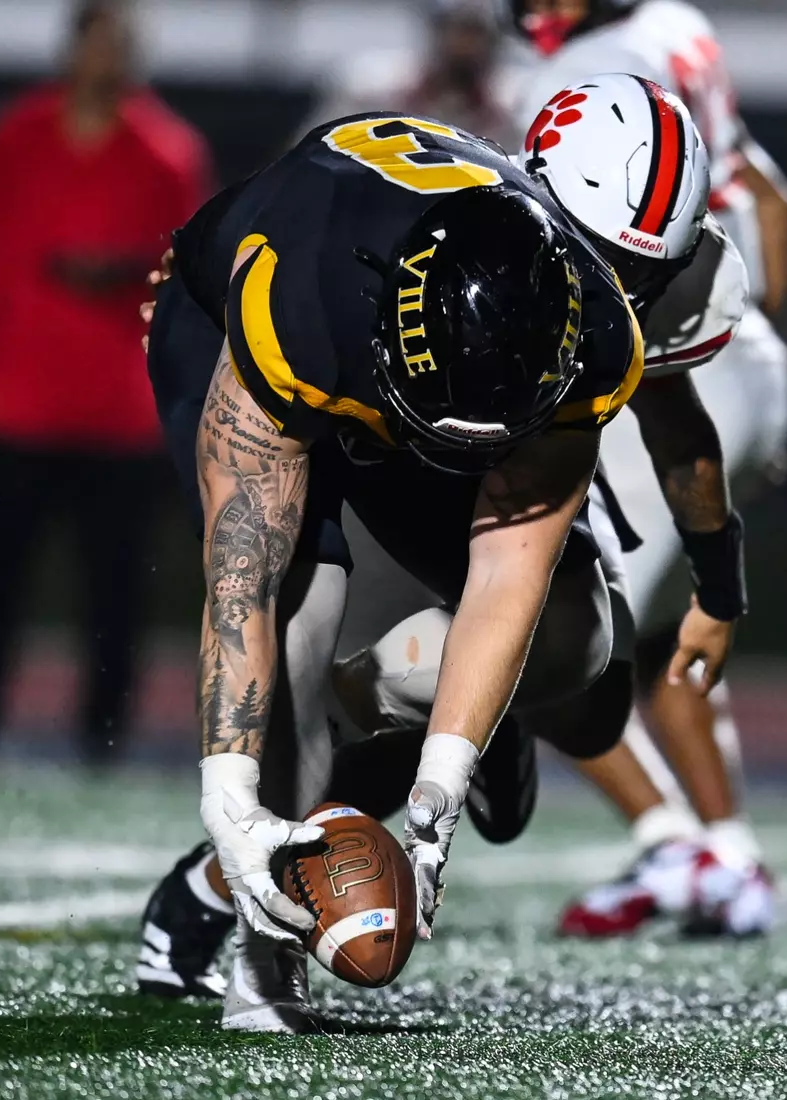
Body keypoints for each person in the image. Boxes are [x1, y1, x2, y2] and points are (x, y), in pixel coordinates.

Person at [131, 111, 642, 1032]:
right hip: (235, 329)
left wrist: (441, 778)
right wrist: (229, 798)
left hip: (441, 371)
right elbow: (241, 580)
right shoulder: (303, 303)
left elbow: (506, 579)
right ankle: (264, 970)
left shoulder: (591, 336)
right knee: (295, 628)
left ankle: (395, 723)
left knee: (579, 649)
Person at [508, 1, 787, 937]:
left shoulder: (589, 67)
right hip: (744, 357)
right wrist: (750, 333)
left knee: (531, 637)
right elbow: (770, 197)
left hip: (666, 366)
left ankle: (669, 842)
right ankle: (733, 859)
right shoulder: (677, 28)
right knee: (661, 638)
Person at [0, 0, 213, 768]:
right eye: (97, 42)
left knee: (115, 590)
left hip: (120, 407)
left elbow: (190, 279)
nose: (107, 59)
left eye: (120, 45)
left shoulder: (167, 151)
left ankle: (102, 737)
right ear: (73, 48)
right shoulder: (16, 137)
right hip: (21, 399)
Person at [305, 0, 522, 150]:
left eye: (477, 33)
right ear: (437, 31)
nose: (466, 45)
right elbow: (311, 155)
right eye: (458, 29)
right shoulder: (371, 90)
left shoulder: (513, 112)